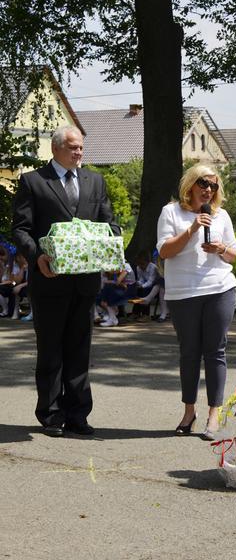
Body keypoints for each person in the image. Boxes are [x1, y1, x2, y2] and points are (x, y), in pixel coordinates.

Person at [12, 125, 120, 437]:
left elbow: (108, 223)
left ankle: (78, 414)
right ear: (56, 148)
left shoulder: (94, 181)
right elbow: (20, 228)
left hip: (85, 282)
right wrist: (37, 257)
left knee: (79, 350)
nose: (79, 152)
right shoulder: (33, 181)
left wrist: (113, 251)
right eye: (73, 147)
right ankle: (51, 415)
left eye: (81, 147)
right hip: (49, 280)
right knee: (50, 350)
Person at [157, 164, 236, 440]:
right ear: (190, 184)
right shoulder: (171, 212)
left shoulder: (221, 216)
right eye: (203, 183)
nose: (208, 190)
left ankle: (214, 414)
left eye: (213, 186)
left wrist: (222, 249)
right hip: (184, 293)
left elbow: (234, 255)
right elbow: (166, 251)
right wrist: (192, 229)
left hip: (220, 288)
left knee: (215, 351)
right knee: (189, 353)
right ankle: (189, 411)